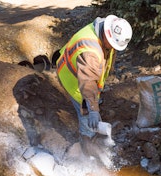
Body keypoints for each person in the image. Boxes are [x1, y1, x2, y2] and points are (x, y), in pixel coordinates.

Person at [56, 15, 132, 155]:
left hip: (83, 73)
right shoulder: (90, 51)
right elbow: (87, 82)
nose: (113, 48)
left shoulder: (105, 29)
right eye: (113, 45)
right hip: (73, 79)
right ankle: (89, 156)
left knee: (91, 104)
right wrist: (92, 109)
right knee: (87, 118)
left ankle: (92, 138)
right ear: (107, 37)